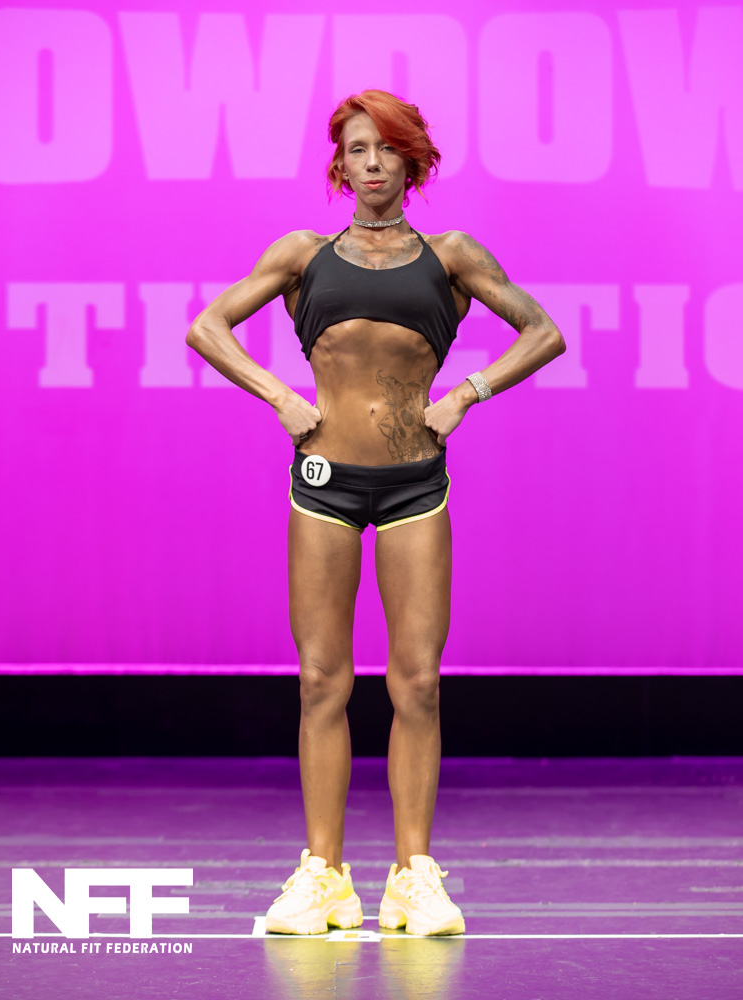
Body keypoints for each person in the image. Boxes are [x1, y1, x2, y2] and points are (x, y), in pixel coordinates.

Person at [186, 89, 565, 937]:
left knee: (417, 683)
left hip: (414, 486)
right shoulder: (303, 255)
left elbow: (543, 331)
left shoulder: (452, 255)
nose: (372, 163)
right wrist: (278, 394)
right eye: (358, 149)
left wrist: (467, 392)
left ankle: (412, 878)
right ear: (341, 164)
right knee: (322, 680)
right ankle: (322, 876)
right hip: (323, 481)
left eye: (388, 148)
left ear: (411, 161)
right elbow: (208, 327)